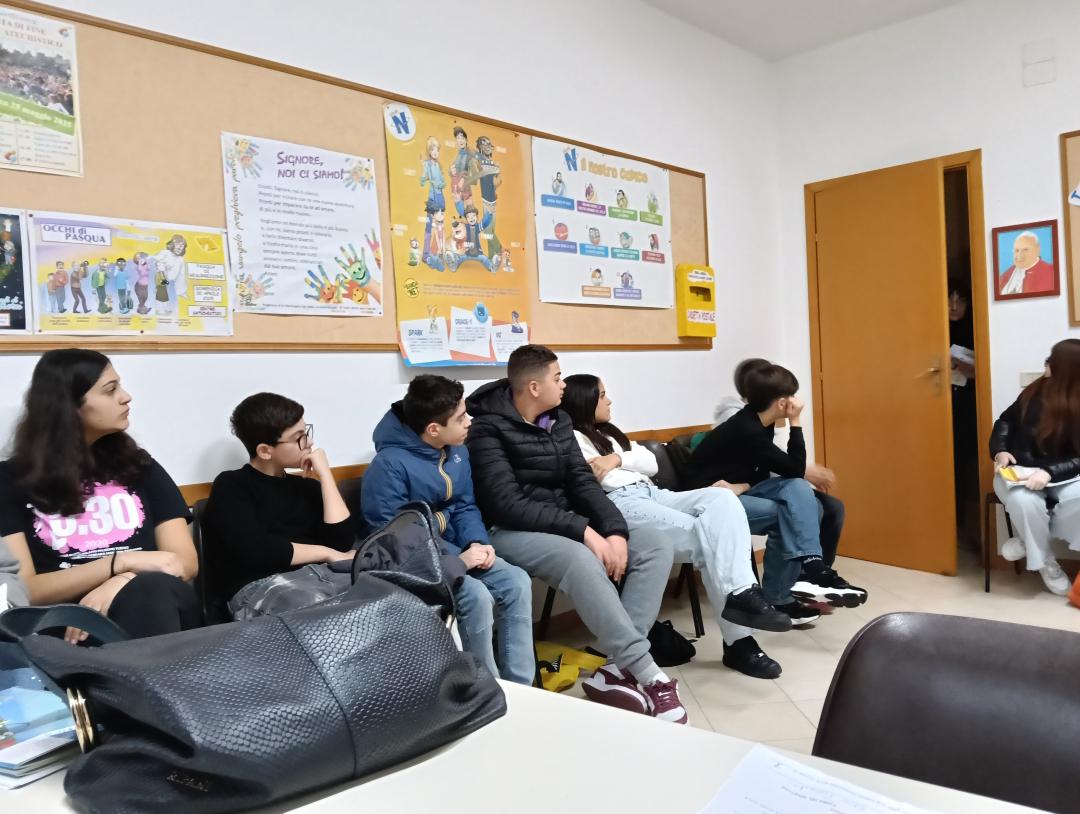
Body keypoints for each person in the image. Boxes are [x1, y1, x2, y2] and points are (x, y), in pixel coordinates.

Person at [467, 344, 687, 724]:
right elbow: (506, 504)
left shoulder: (558, 419)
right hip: (510, 530)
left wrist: (613, 531)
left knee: (655, 543)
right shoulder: (487, 428)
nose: (564, 385)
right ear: (534, 387)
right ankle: (649, 674)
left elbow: (582, 482)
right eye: (557, 378)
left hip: (565, 521)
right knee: (582, 558)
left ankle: (617, 668)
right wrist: (585, 531)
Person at [562, 374, 792, 680]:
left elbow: (650, 462)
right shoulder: (570, 438)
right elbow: (603, 479)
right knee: (714, 541)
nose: (609, 400)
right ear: (584, 400)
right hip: (620, 504)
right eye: (602, 395)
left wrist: (616, 458)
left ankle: (742, 594)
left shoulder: (610, 435)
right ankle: (740, 641)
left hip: (653, 493)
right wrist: (625, 464)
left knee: (722, 498)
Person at [0, 349, 202, 640]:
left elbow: (183, 563)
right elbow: (25, 589)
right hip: (66, 624)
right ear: (69, 406)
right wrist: (117, 563)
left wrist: (124, 578)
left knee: (151, 591)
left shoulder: (140, 467)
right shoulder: (10, 480)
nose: (126, 397)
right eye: (110, 390)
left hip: (154, 603)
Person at [363, 375, 534, 685]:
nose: (469, 422)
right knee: (476, 596)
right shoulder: (388, 466)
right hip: (413, 563)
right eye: (461, 418)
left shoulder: (456, 450)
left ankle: (522, 685)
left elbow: (465, 505)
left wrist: (476, 542)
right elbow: (396, 536)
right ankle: (487, 687)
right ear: (433, 429)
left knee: (516, 581)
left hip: (457, 550)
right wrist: (458, 559)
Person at [686, 363, 867, 622]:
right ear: (782, 403)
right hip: (706, 497)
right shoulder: (746, 428)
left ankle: (811, 565)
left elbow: (775, 472)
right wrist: (796, 422)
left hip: (736, 490)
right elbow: (795, 467)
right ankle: (784, 594)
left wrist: (742, 486)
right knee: (788, 513)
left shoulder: (760, 421)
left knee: (802, 493)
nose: (796, 401)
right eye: (791, 396)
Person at [202, 393, 356, 620]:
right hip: (262, 587)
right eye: (299, 438)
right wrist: (326, 553)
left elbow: (341, 542)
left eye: (307, 432)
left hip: (321, 578)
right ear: (265, 451)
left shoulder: (307, 486)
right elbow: (257, 549)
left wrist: (325, 475)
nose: (309, 443)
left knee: (387, 594)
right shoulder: (231, 485)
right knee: (329, 616)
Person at [990, 339, 1080, 595]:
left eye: (1053, 360)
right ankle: (1047, 564)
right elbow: (1005, 422)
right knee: (1024, 501)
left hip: (1065, 474)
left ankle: (1027, 542)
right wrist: (1000, 451)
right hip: (1018, 471)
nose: (1046, 364)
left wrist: (1050, 472)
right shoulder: (1034, 390)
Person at [948, 275, 979, 548]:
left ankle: (965, 529)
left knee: (965, 464)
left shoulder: (976, 328)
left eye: (961, 299)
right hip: (937, 402)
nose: (955, 306)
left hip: (967, 404)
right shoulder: (930, 325)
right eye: (949, 299)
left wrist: (973, 371)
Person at [999, 231, 1055, 296]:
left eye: (1025, 250)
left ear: (1037, 250)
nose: (1019, 255)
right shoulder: (1007, 273)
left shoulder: (1051, 272)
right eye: (1016, 250)